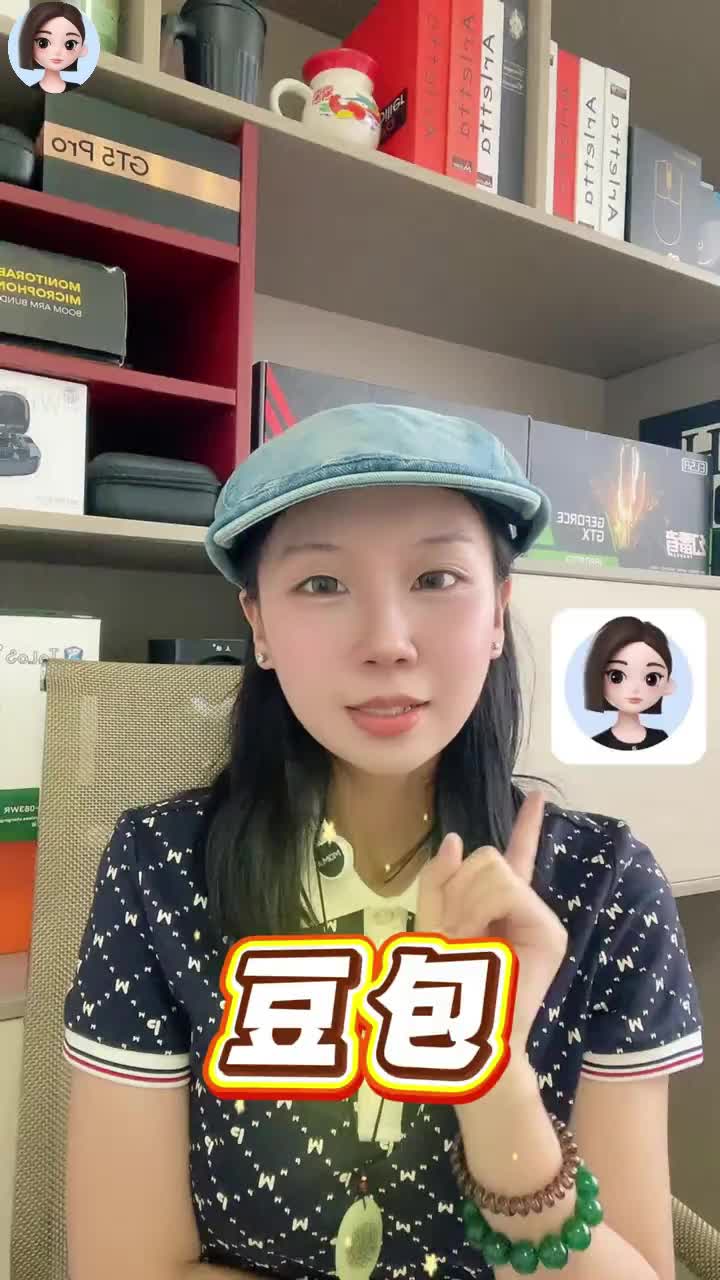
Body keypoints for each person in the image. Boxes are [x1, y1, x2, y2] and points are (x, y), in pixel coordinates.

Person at [63, 404, 703, 1280]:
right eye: (322, 584)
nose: (388, 643)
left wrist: (491, 1078)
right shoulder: (162, 868)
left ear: (497, 611)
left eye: (437, 577)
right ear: (258, 625)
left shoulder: (604, 886)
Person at [584, 616, 675, 751]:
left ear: (668, 685)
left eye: (651, 678)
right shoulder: (598, 743)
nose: (635, 689)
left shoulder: (661, 738)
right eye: (616, 677)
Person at [17, 0, 88, 93]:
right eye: (43, 43)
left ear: (83, 49)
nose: (57, 51)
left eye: (70, 44)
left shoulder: (80, 90)